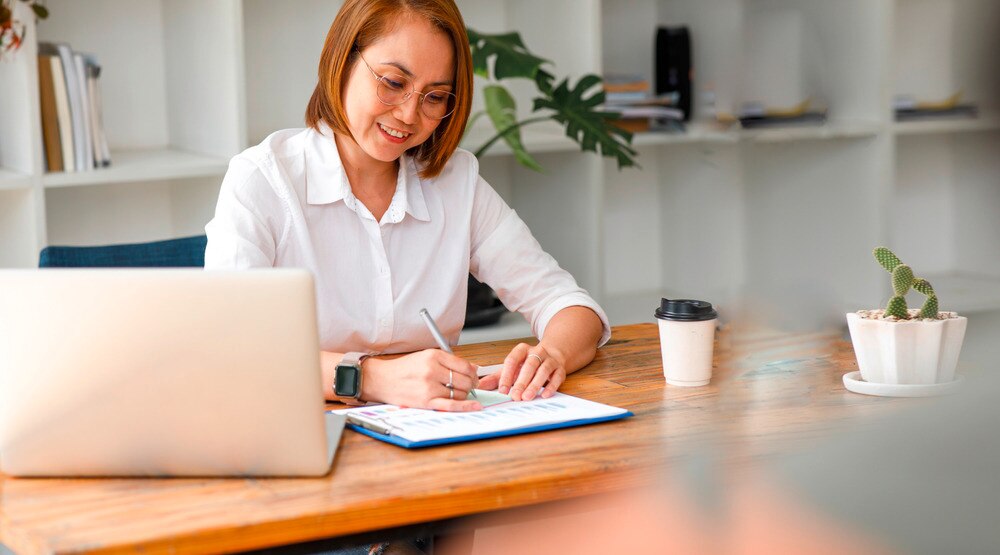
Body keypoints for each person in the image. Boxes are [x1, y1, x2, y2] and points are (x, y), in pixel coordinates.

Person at [205, 0, 609, 414]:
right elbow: (232, 348)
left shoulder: (456, 183)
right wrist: (373, 379)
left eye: (435, 97)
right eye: (394, 83)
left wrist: (553, 355)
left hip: (433, 435)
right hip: (299, 429)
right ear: (342, 60)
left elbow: (570, 306)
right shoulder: (264, 180)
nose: (408, 115)